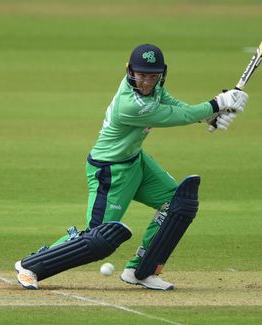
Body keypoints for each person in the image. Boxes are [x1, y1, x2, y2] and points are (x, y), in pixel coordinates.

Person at [15, 44, 248, 290]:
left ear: (161, 74)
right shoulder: (131, 104)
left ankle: (142, 270)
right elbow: (177, 117)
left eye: (153, 75)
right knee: (97, 238)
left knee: (179, 203)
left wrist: (207, 115)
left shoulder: (154, 87)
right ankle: (31, 264)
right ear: (130, 71)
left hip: (135, 161)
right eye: (142, 75)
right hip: (110, 171)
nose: (147, 82)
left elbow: (175, 106)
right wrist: (218, 103)